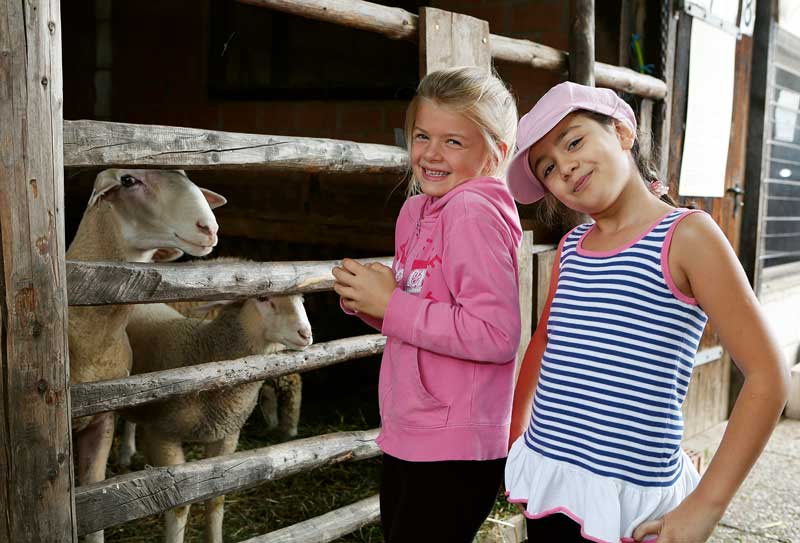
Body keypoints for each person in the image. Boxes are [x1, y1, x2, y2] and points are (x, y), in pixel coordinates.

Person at [503, 80, 790, 543]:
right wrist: (517, 432)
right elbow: (546, 338)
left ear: (621, 132)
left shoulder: (687, 237)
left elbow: (768, 375)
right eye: (548, 168)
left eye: (574, 142)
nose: (565, 167)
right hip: (551, 478)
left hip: (629, 506)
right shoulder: (572, 247)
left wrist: (705, 507)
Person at [331, 66, 522, 543]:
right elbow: (420, 311)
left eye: (453, 142)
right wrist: (371, 301)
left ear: (495, 153)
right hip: (414, 427)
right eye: (422, 136)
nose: (432, 154)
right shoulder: (415, 210)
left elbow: (496, 335)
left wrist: (392, 304)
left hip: (455, 442)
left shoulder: (473, 212)